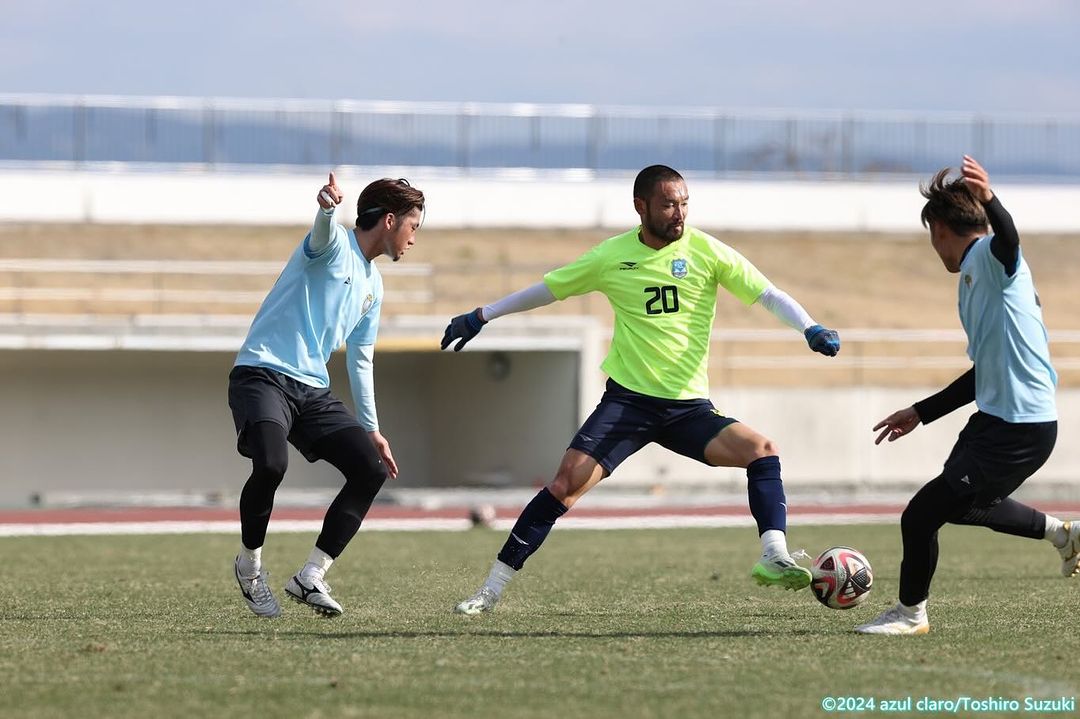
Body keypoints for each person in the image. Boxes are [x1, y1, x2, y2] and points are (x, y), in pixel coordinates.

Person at [441, 164, 841, 615]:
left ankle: (774, 555)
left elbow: (766, 293)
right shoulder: (611, 256)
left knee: (762, 451)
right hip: (628, 404)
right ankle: (490, 591)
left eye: (684, 203)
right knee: (564, 486)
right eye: (669, 204)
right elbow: (550, 289)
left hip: (689, 410)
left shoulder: (707, 251)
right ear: (641, 207)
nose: (679, 213)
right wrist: (483, 314)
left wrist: (809, 327)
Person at [856, 156, 1080, 636]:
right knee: (960, 506)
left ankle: (910, 615)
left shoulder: (989, 259)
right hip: (995, 421)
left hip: (1019, 429)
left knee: (921, 515)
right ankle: (1064, 534)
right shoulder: (974, 279)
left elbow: (1010, 241)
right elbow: (983, 373)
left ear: (939, 230)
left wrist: (991, 199)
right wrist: (921, 412)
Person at [228, 172, 425, 618]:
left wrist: (372, 430)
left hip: (312, 390)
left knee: (370, 469)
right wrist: (326, 208)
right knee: (272, 464)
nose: (414, 239)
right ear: (390, 221)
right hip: (261, 373)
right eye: (413, 227)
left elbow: (361, 359)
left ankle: (310, 576)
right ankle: (249, 567)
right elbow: (322, 232)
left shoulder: (374, 285)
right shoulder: (333, 243)